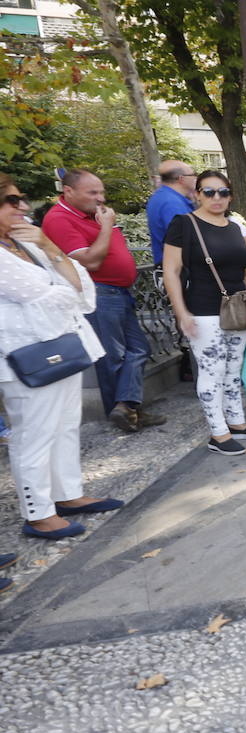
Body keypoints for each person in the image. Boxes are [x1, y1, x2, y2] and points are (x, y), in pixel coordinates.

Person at [0, 177, 124, 540]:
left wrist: (50, 249)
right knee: (34, 435)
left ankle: (68, 495)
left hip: (63, 345)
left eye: (21, 199)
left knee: (66, 425)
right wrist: (62, 281)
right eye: (11, 201)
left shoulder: (28, 244)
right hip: (26, 356)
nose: (22, 207)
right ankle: (38, 513)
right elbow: (45, 295)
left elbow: (82, 285)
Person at [42, 169, 166, 433]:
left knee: (139, 349)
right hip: (98, 293)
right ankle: (124, 413)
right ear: (69, 192)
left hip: (118, 292)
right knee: (113, 358)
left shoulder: (92, 215)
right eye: (93, 193)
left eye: (102, 192)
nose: (101, 198)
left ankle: (127, 407)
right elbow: (91, 260)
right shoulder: (59, 219)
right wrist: (108, 226)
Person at [161, 170, 246, 455]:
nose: (216, 198)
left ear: (230, 196)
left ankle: (236, 422)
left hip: (238, 308)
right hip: (203, 308)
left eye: (223, 192)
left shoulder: (233, 226)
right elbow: (171, 271)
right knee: (213, 371)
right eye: (209, 192)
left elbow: (243, 269)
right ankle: (218, 433)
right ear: (197, 194)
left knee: (234, 369)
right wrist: (181, 312)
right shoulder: (184, 224)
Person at [146, 159, 198, 267]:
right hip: (179, 269)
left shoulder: (161, 197)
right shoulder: (172, 203)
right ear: (181, 179)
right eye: (192, 175)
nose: (195, 178)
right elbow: (187, 240)